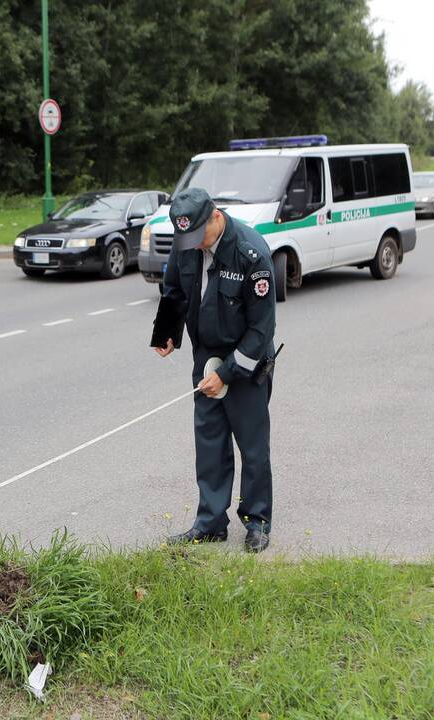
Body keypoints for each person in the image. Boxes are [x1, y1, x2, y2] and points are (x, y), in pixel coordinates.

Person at [149, 187, 276, 553]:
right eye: (185, 238)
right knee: (210, 443)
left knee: (252, 448)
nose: (192, 244)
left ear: (216, 216)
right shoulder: (186, 243)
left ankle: (258, 521)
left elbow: (260, 329)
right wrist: (166, 333)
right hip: (206, 359)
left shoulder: (251, 254)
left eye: (198, 235)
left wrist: (229, 372)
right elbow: (173, 290)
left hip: (246, 362)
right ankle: (210, 522)